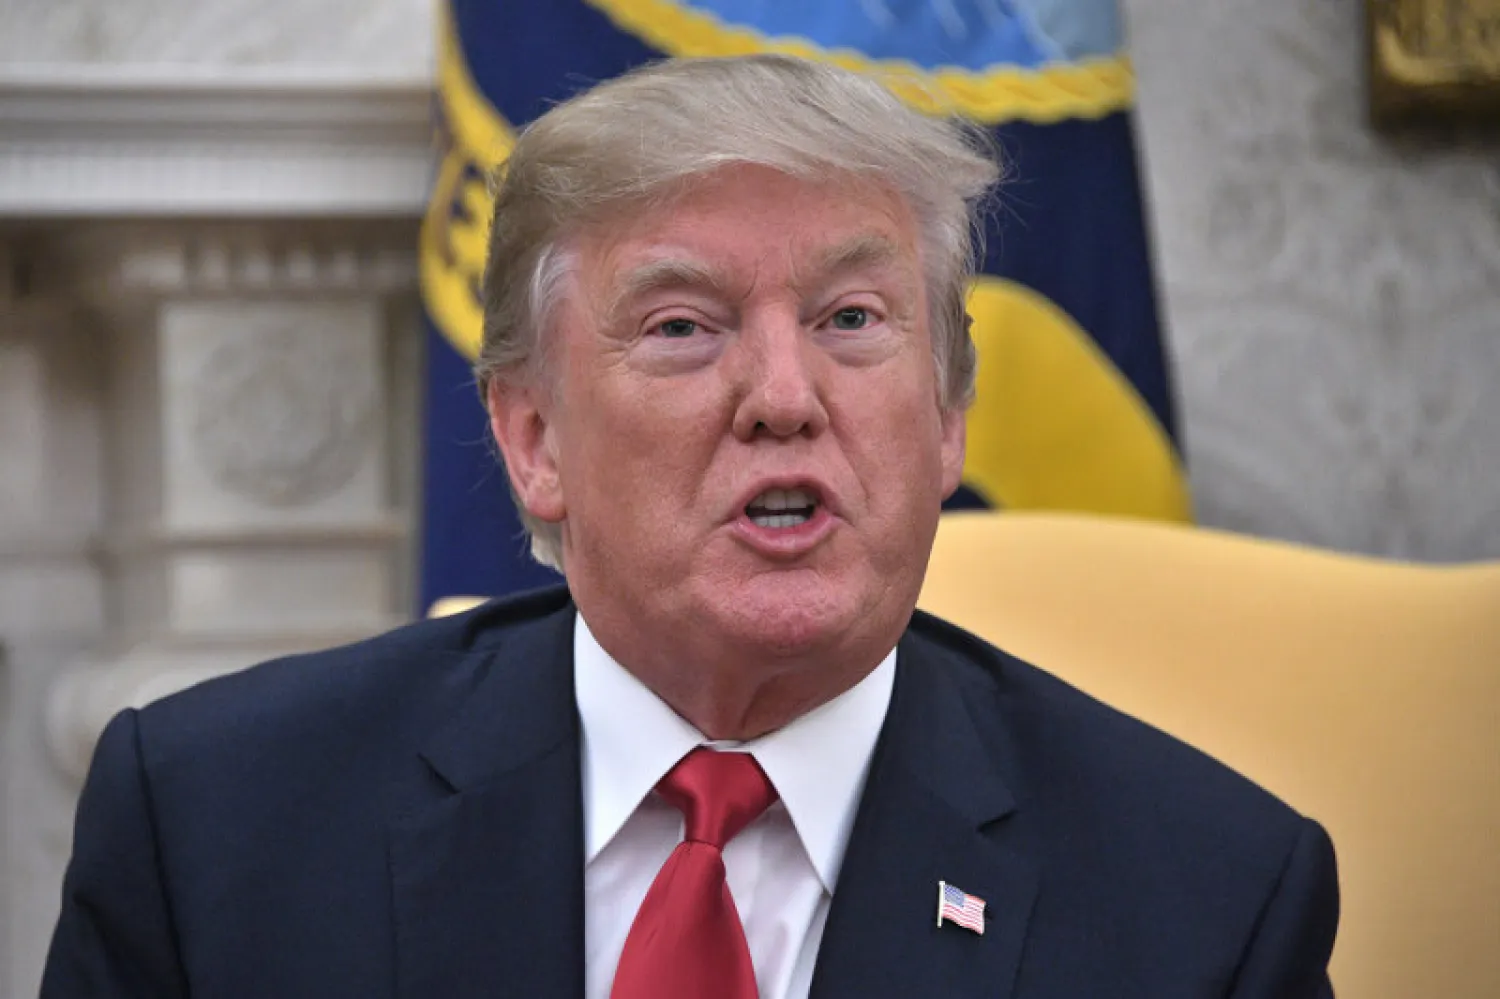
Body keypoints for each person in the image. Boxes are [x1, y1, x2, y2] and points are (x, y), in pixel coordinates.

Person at [42, 54, 1338, 998]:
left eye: (850, 320)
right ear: (533, 437)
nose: (784, 397)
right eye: (682, 327)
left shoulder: (1206, 905)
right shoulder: (215, 828)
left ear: (947, 420)